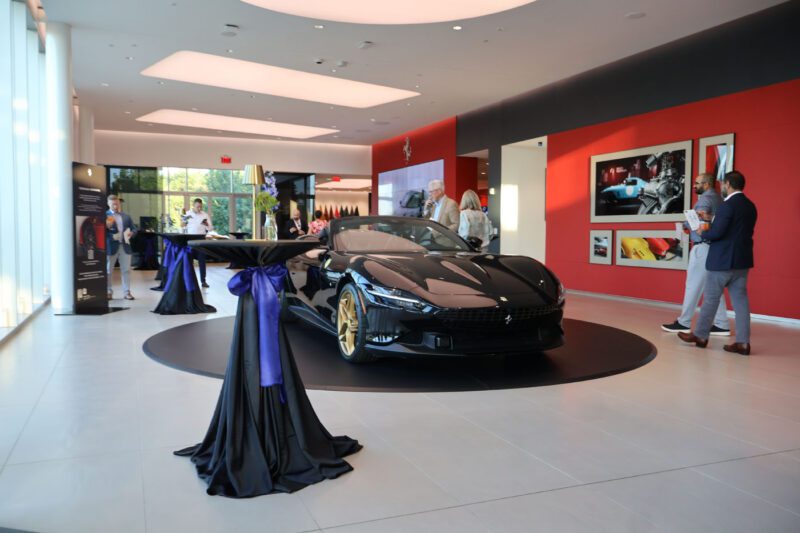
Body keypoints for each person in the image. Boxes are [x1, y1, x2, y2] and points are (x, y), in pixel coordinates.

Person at [678, 171, 757, 355]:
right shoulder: (750, 206)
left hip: (722, 261)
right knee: (741, 304)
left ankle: (700, 336)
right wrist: (711, 220)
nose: (721, 187)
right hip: (742, 261)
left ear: (728, 184)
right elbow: (735, 229)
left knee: (711, 300)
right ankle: (743, 343)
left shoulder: (727, 205)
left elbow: (717, 233)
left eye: (722, 184)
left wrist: (702, 229)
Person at [662, 173, 729, 335]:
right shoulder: (719, 198)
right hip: (714, 248)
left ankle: (684, 322)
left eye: (697, 183)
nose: (694, 185)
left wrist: (685, 225)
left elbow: (700, 221)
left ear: (706, 184)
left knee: (692, 285)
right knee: (712, 287)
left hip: (702, 247)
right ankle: (722, 324)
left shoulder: (705, 199)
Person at [106, 194, 137, 300]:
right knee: (108, 270)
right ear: (108, 204)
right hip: (111, 247)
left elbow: (134, 229)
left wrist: (131, 233)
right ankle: (108, 291)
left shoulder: (126, 216)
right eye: (113, 203)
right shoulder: (104, 216)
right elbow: (101, 232)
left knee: (126, 270)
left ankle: (127, 292)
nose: (115, 206)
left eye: (117, 203)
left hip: (125, 246)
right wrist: (111, 236)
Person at [183, 198, 212, 288]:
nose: (199, 208)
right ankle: (189, 280)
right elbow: (183, 227)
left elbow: (210, 228)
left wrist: (207, 224)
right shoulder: (187, 214)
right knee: (189, 261)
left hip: (201, 240)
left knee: (202, 261)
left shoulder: (205, 215)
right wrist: (183, 225)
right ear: (193, 206)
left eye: (200, 207)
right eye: (197, 207)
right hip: (190, 239)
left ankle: (203, 281)